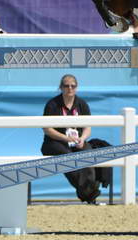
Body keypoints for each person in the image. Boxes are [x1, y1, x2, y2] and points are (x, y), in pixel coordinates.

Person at [41, 74, 101, 204]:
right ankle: (90, 192)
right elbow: (47, 129)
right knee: (68, 157)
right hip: (54, 142)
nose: (70, 88)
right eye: (66, 86)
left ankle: (89, 193)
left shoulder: (82, 104)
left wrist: (82, 138)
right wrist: (66, 138)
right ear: (61, 87)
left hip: (76, 142)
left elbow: (87, 127)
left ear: (76, 87)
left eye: (73, 86)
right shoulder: (52, 104)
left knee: (88, 152)